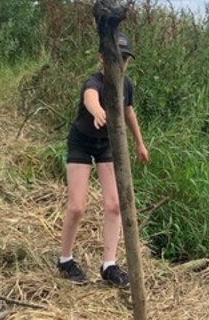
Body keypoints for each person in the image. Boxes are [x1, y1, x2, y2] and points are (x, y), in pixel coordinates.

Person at [57, 33, 150, 286]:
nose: (120, 64)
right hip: (82, 141)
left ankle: (109, 265)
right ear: (102, 57)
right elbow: (90, 97)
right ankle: (65, 259)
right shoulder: (95, 81)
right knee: (77, 206)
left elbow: (128, 112)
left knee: (115, 204)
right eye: (115, 59)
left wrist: (140, 143)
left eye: (125, 59)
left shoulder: (126, 85)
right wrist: (97, 111)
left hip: (107, 144)